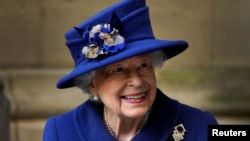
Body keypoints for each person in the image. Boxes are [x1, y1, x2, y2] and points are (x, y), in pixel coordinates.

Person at [43, 0, 218, 141]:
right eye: (118, 70)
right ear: (91, 84)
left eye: (143, 66)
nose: (137, 81)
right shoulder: (61, 132)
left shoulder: (201, 127)